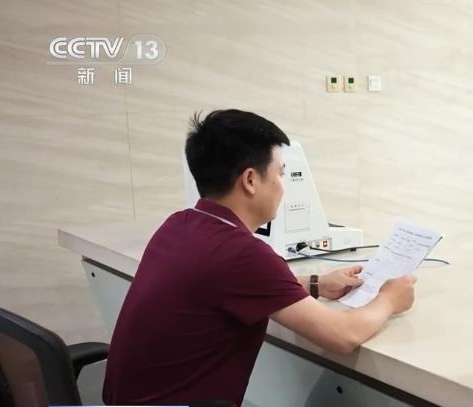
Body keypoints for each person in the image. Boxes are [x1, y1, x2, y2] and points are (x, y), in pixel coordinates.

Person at [103, 109, 417, 405]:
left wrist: (317, 284)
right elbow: (342, 335)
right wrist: (390, 298)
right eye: (280, 174)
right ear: (251, 180)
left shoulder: (180, 224)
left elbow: (232, 287)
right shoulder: (241, 253)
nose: (282, 186)